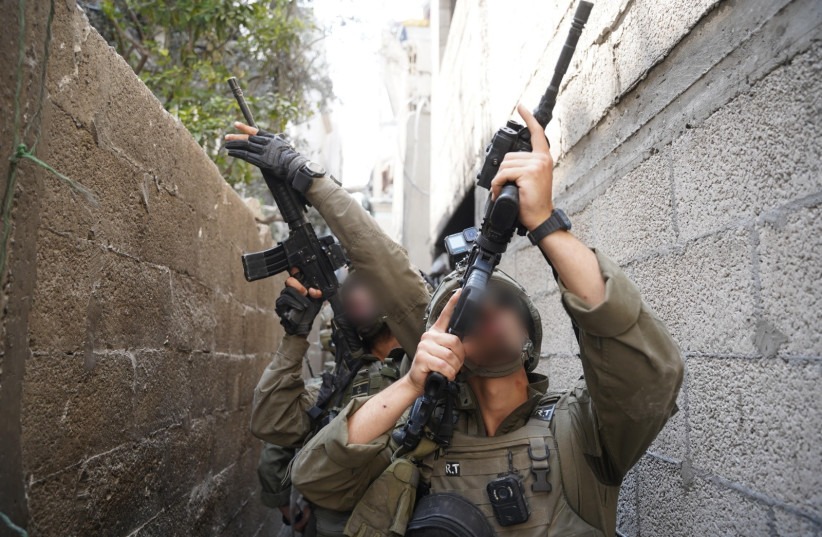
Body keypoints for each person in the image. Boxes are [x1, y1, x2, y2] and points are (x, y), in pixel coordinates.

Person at [288, 104, 685, 537]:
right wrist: (412, 384)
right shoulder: (419, 444)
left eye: (504, 300)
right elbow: (316, 479)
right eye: (467, 310)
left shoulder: (578, 431)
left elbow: (649, 376)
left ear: (529, 329)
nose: (489, 310)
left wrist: (545, 223)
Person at [225, 124, 432, 536]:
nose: (356, 290)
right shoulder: (341, 380)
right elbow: (270, 422)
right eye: (351, 282)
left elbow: (382, 261)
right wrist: (294, 337)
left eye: (368, 283)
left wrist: (308, 178)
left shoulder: (426, 362)